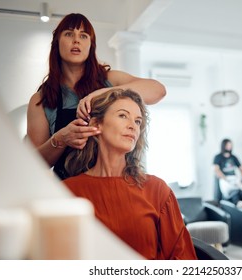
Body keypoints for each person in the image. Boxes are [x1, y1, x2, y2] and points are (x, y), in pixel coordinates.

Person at [27, 13, 166, 180]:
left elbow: (158, 90)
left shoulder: (110, 80)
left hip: (116, 184)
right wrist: (61, 139)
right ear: (57, 42)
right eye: (69, 34)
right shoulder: (41, 100)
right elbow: (35, 163)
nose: (76, 40)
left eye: (83, 36)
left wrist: (104, 92)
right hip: (70, 192)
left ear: (91, 46)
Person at [62, 88, 197, 260]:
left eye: (138, 121)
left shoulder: (157, 190)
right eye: (123, 115)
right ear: (96, 124)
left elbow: (183, 258)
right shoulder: (68, 191)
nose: (133, 126)